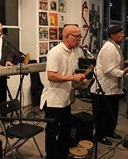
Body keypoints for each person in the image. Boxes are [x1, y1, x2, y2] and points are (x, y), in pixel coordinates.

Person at [40, 24, 86, 159]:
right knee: (52, 131)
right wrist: (73, 77)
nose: (79, 39)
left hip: (65, 100)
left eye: (80, 36)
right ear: (67, 36)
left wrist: (78, 78)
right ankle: (52, 156)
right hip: (54, 100)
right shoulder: (55, 52)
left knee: (65, 130)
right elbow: (51, 76)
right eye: (77, 36)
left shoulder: (72, 52)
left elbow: (69, 73)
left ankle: (62, 154)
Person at [90, 25, 128, 145]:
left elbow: (114, 64)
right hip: (104, 88)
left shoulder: (115, 46)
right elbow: (108, 70)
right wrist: (123, 72)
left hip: (113, 88)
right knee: (103, 114)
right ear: (112, 35)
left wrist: (124, 63)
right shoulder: (108, 48)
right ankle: (99, 135)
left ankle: (109, 131)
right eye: (120, 33)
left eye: (122, 33)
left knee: (112, 112)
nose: (123, 35)